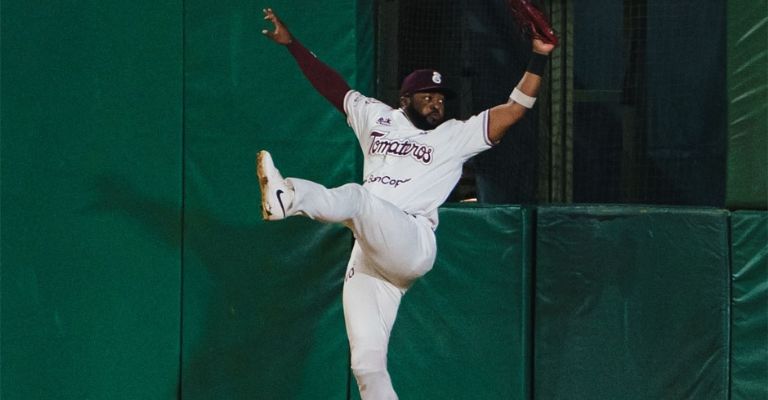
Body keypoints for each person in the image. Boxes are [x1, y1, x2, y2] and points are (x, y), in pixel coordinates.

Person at [258, 7, 555, 400]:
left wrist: (539, 55)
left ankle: (288, 197)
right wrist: (292, 45)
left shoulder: (455, 136)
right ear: (405, 99)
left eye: (441, 98)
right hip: (371, 256)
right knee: (366, 366)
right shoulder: (376, 118)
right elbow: (333, 87)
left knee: (360, 199)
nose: (437, 103)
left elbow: (514, 109)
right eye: (427, 96)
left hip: (411, 240)